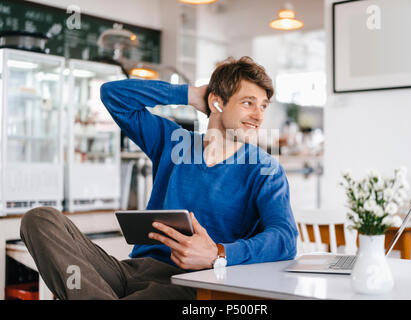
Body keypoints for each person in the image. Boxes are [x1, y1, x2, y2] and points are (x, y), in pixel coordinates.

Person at [20, 56, 298, 300]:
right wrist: (189, 94)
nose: (258, 115)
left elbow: (284, 239)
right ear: (217, 102)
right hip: (133, 272)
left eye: (263, 105)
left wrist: (218, 253)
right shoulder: (173, 142)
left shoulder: (265, 169)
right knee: (39, 219)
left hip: (193, 281)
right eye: (248, 102)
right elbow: (113, 95)